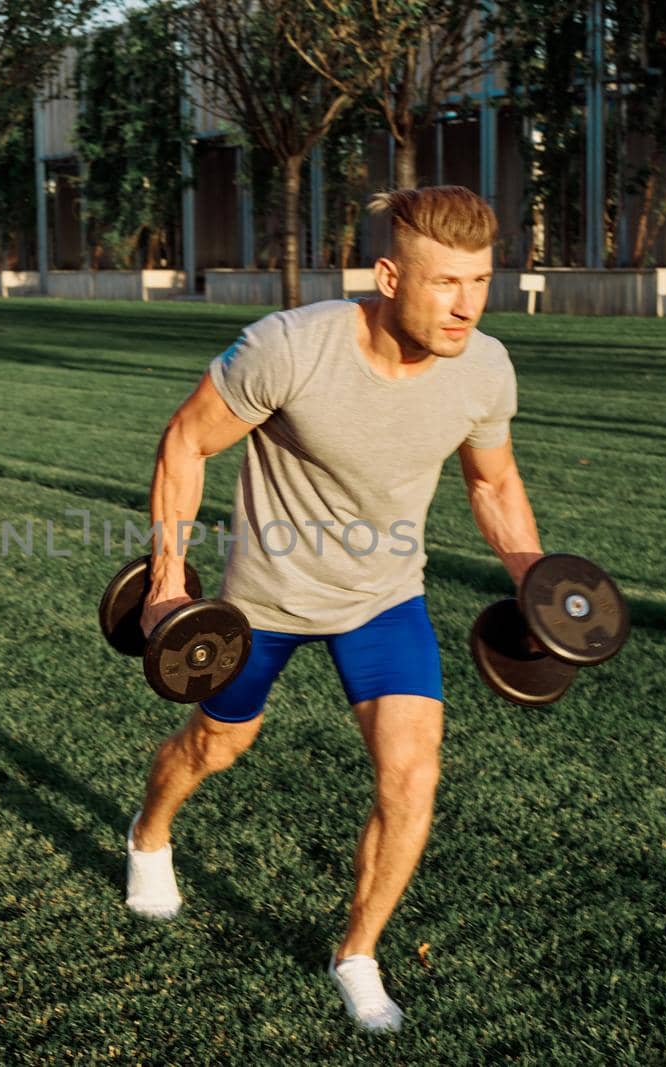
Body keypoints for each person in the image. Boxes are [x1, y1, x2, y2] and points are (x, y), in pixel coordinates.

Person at [125, 185, 544, 1032]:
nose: (466, 306)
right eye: (444, 283)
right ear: (389, 276)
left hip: (383, 598)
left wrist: (539, 586)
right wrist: (169, 577)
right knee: (217, 744)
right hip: (266, 598)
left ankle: (357, 952)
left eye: (481, 280)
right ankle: (148, 832)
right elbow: (187, 440)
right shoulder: (291, 347)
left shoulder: (485, 368)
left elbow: (493, 482)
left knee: (412, 774)